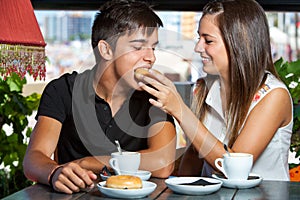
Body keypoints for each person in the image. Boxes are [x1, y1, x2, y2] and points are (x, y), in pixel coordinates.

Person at [23, 0, 177, 194]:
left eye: (153, 48)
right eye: (138, 47)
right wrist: (55, 172)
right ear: (106, 50)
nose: (151, 58)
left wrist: (87, 162)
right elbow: (34, 158)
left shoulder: (154, 96)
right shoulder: (63, 90)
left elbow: (163, 162)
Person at [138, 0, 293, 180]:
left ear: (239, 42)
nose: (198, 48)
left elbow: (235, 171)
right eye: (199, 38)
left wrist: (179, 109)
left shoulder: (274, 95)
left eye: (208, 40)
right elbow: (196, 156)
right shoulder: (203, 89)